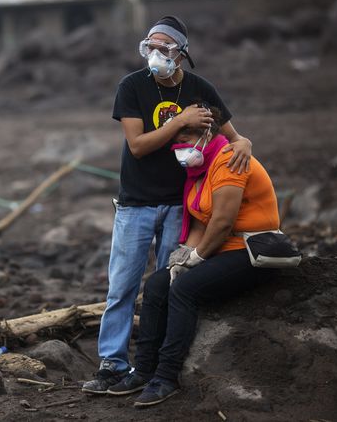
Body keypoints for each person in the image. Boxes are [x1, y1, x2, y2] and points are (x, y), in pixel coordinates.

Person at [82, 15, 253, 394]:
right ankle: (112, 364)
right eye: (150, 47)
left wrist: (245, 144)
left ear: (181, 53)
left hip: (180, 205)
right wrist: (180, 122)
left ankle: (153, 364)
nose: (155, 54)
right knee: (122, 287)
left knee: (166, 286)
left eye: (164, 47)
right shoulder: (131, 87)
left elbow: (234, 137)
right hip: (135, 204)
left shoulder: (199, 88)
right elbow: (138, 146)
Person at [105, 106, 280, 407]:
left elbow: (223, 222)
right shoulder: (198, 171)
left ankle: (167, 376)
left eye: (187, 138)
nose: (181, 146)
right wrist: (182, 258)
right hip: (223, 249)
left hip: (251, 250)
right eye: (177, 140)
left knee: (184, 291)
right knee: (159, 283)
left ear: (208, 133)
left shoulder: (228, 160)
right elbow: (200, 220)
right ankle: (145, 369)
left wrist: (197, 257)